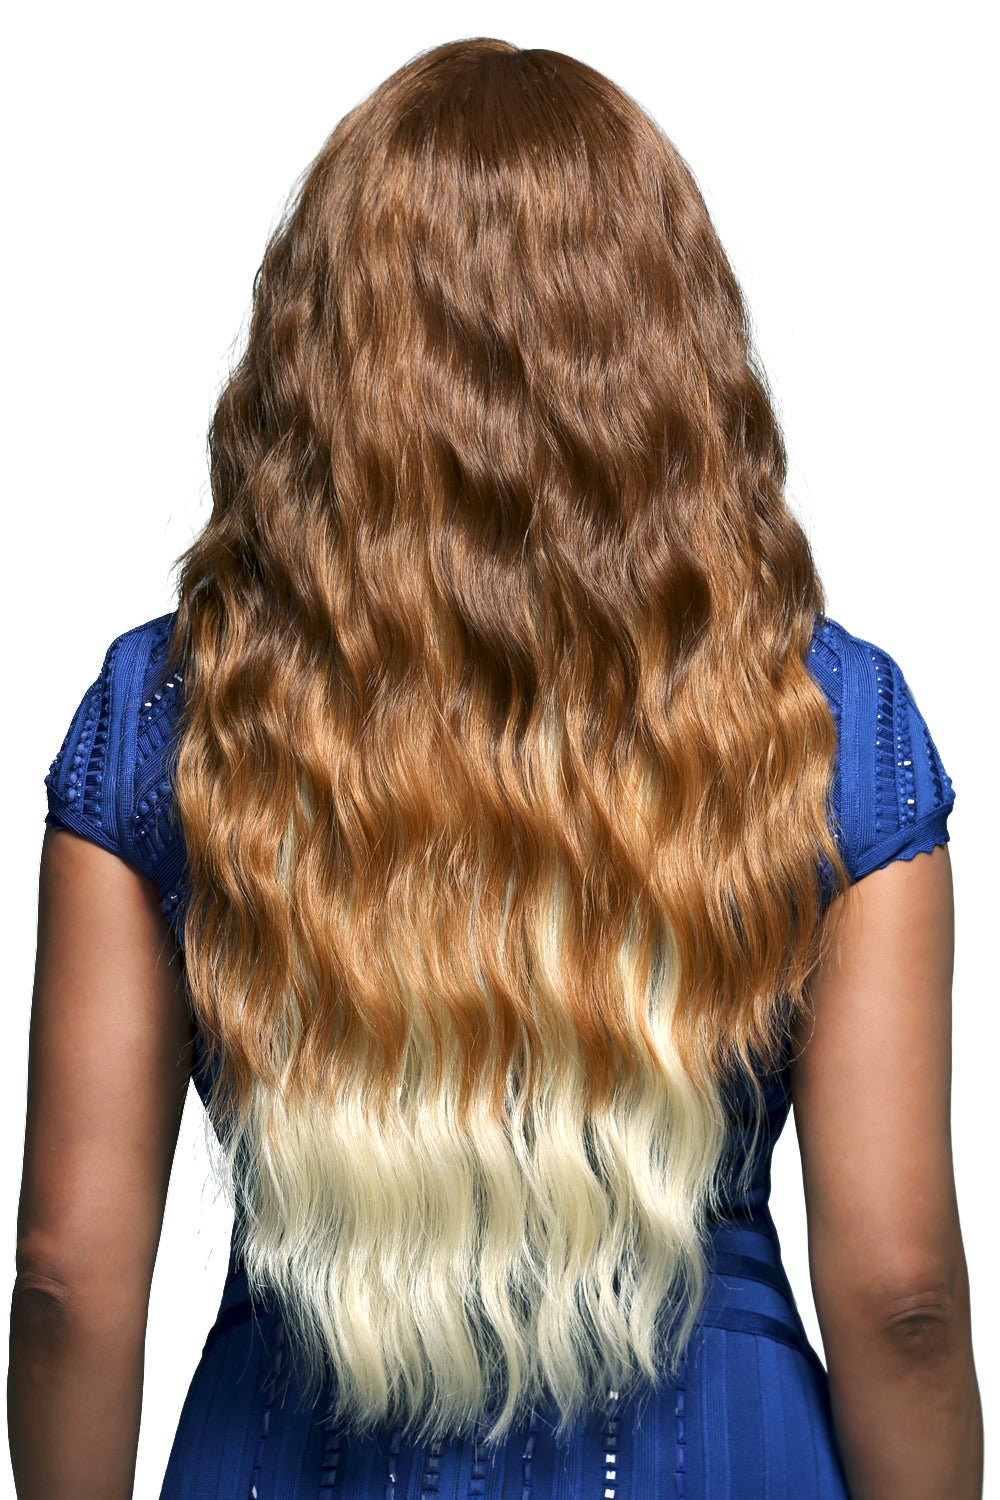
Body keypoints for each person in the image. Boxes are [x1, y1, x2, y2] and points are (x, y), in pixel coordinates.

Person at [9, 36, 982, 1500]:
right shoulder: (829, 725)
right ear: (676, 353)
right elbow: (903, 1295)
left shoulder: (173, 717)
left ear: (317, 354)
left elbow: (67, 1281)